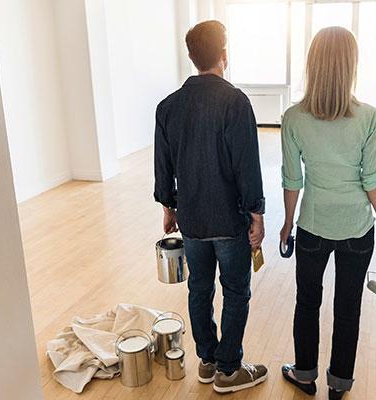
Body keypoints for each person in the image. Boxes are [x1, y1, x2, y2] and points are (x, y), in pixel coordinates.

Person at [153, 20, 268, 394]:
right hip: (229, 220)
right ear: (224, 54)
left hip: (193, 220)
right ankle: (229, 369)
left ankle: (206, 360)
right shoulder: (235, 101)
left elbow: (163, 167)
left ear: (191, 56)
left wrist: (170, 207)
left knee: (199, 289)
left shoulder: (168, 107)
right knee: (235, 292)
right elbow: (247, 165)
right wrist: (257, 214)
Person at [278, 26, 376, 400]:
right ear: (351, 66)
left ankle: (305, 374)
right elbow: (372, 179)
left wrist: (286, 224)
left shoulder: (293, 117)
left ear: (312, 65)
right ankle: (339, 385)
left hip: (312, 225)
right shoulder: (369, 116)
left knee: (307, 303)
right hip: (357, 229)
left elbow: (292, 179)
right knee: (348, 310)